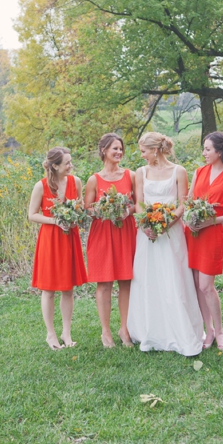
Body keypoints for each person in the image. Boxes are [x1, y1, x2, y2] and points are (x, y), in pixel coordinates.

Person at [127, 132, 202, 356]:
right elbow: (139, 203)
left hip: (172, 232)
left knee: (173, 276)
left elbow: (183, 203)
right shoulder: (141, 173)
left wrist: (167, 223)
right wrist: (146, 225)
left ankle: (179, 329)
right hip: (147, 233)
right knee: (148, 278)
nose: (142, 156)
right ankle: (149, 330)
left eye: (143, 151)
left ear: (155, 150)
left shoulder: (179, 171)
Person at [184, 132, 223, 351]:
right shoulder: (199, 172)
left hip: (212, 234)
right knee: (197, 285)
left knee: (206, 286)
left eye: (207, 149)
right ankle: (206, 330)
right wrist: (191, 218)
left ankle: (220, 331)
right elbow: (189, 200)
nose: (204, 153)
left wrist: (211, 221)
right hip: (193, 233)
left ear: (219, 152)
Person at [28, 146, 88, 350]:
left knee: (68, 289)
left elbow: (80, 208)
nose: (71, 166)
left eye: (71, 162)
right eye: (67, 163)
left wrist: (75, 217)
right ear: (54, 166)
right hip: (50, 240)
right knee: (49, 290)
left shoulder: (76, 182)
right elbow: (32, 214)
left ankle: (66, 333)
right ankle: (51, 334)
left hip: (69, 238)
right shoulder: (41, 186)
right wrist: (55, 221)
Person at [84, 133, 137, 348]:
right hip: (102, 233)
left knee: (126, 281)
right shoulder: (94, 179)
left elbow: (137, 203)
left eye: (121, 149)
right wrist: (102, 209)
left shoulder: (131, 176)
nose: (119, 152)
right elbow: (87, 208)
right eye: (115, 148)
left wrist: (127, 211)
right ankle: (105, 331)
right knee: (104, 282)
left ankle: (124, 328)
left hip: (125, 231)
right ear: (104, 150)